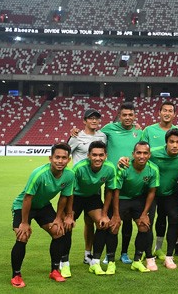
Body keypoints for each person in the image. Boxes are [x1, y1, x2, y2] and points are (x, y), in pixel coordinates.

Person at [9, 143, 75, 288]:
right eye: (57, 157)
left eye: (64, 158)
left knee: (58, 232)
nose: (60, 161)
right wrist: (25, 222)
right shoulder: (38, 174)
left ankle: (55, 270)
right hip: (23, 206)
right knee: (23, 235)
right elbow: (27, 198)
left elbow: (65, 197)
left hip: (43, 206)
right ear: (50, 158)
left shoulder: (69, 175)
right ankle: (16, 275)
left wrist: (59, 218)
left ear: (68, 160)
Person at [61, 141, 117, 277]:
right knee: (66, 225)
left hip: (92, 197)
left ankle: (92, 259)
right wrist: (68, 214)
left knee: (103, 224)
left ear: (106, 156)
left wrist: (104, 214)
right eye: (94, 155)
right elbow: (70, 191)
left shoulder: (110, 168)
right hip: (75, 197)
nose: (98, 158)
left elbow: (109, 191)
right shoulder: (79, 168)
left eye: (101, 155)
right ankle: (64, 263)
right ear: (88, 156)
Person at [99, 101, 140, 264]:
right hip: (111, 183)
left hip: (130, 183)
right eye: (125, 115)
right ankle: (108, 255)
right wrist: (75, 133)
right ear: (119, 116)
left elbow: (142, 152)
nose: (128, 117)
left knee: (127, 220)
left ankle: (124, 253)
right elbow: (93, 135)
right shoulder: (109, 128)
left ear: (135, 116)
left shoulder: (139, 132)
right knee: (110, 219)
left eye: (131, 115)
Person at [146, 128, 178, 269]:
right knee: (148, 222)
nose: (175, 145)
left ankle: (169, 256)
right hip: (152, 193)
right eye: (171, 142)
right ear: (166, 142)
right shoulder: (154, 153)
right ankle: (149, 256)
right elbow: (138, 157)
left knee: (173, 220)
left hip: (171, 193)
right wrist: (124, 160)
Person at [111, 141, 160, 273]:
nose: (141, 156)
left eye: (145, 153)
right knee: (114, 225)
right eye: (138, 153)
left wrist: (145, 213)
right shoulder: (124, 167)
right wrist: (116, 215)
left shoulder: (153, 169)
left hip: (138, 200)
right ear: (133, 154)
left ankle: (137, 260)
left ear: (149, 155)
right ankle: (110, 261)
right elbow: (116, 191)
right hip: (121, 199)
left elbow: (151, 192)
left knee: (144, 225)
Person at [67, 108, 107, 266]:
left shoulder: (102, 136)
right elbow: (65, 152)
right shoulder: (76, 136)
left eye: (97, 118)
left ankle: (87, 254)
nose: (94, 121)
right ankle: (64, 258)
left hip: (94, 187)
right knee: (68, 223)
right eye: (90, 118)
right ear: (84, 121)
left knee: (91, 222)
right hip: (77, 187)